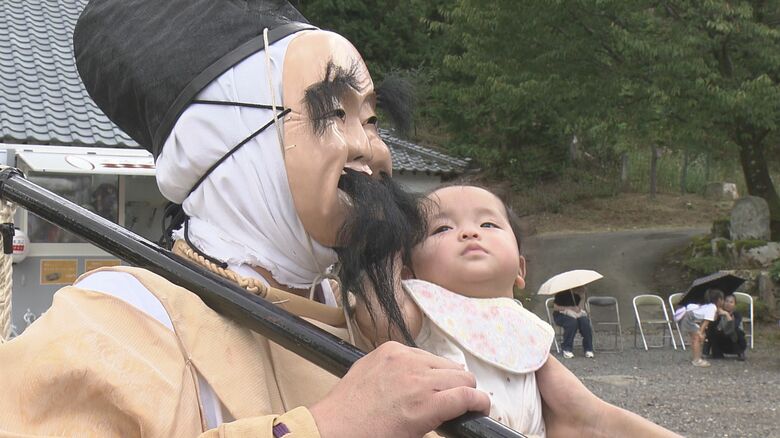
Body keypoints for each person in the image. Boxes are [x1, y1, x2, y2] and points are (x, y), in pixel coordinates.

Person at [0, 1, 681, 437]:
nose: (375, 150)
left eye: (373, 119)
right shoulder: (117, 324)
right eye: (333, 113)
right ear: (227, 150)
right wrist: (324, 429)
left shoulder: (387, 310)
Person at [352, 185, 676, 437]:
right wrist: (383, 249)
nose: (469, 232)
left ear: (520, 269)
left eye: (488, 223)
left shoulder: (522, 324)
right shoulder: (421, 304)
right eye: (441, 229)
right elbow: (380, 321)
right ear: (407, 269)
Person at [676, 288, 725, 367]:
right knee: (696, 338)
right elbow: (706, 321)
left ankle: (697, 356)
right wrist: (700, 332)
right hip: (689, 319)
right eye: (723, 299)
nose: (723, 302)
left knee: (696, 338)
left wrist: (718, 313)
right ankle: (696, 360)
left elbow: (708, 319)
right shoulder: (712, 308)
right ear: (719, 300)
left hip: (689, 318)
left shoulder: (710, 307)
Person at [552, 286, 594, 359]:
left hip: (575, 314)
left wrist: (582, 297)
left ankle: (588, 349)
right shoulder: (561, 293)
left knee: (585, 322)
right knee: (571, 322)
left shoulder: (578, 295)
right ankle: (567, 348)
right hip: (561, 315)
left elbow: (580, 309)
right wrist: (570, 308)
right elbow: (556, 307)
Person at [706, 294, 747, 361]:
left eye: (731, 302)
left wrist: (727, 315)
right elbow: (712, 329)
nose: (728, 304)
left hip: (734, 341)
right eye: (726, 301)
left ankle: (740, 352)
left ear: (735, 304)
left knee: (737, 331)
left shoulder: (737, 314)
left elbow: (732, 328)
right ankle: (713, 352)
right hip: (722, 341)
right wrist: (715, 317)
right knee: (711, 330)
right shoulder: (718, 313)